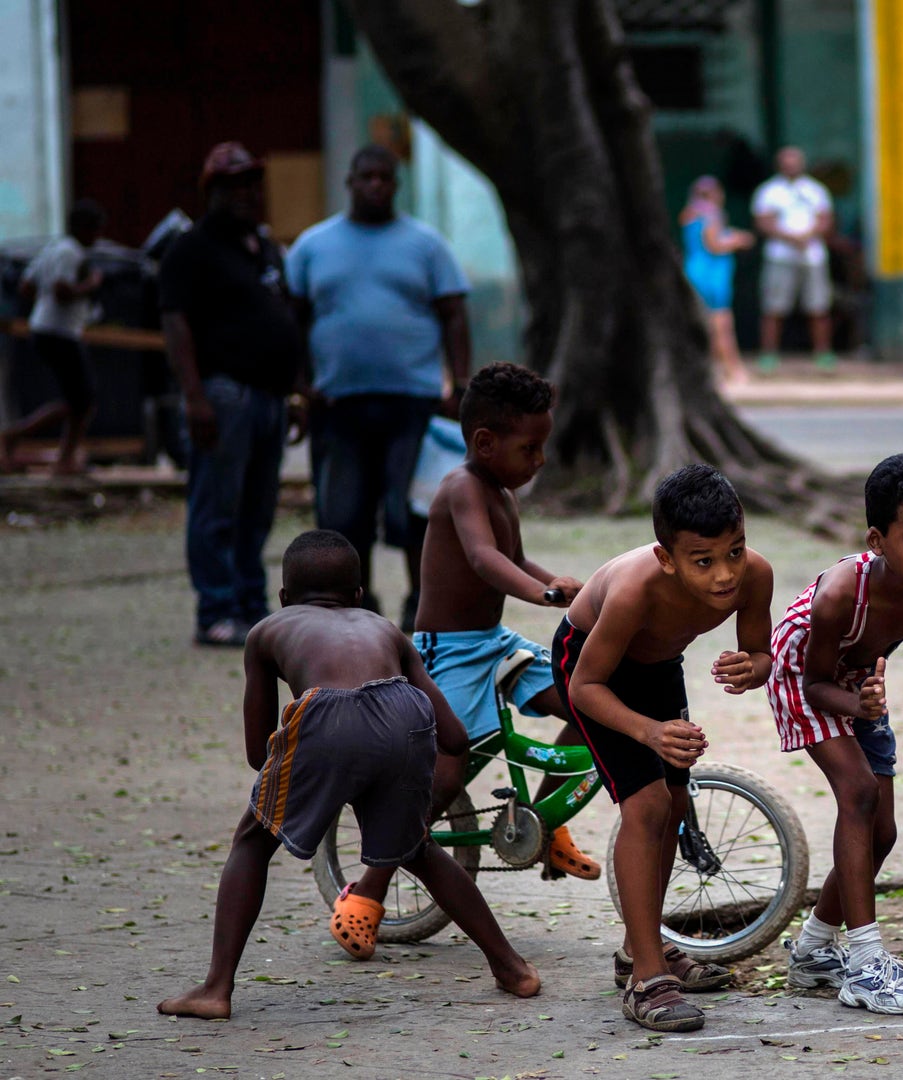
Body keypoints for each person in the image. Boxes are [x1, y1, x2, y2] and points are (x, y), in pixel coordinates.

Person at [156, 530, 540, 1020]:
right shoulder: (387, 630)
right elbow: (456, 737)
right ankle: (512, 968)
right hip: (405, 712)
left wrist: (326, 766)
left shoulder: (267, 631)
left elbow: (258, 753)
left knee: (251, 842)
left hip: (325, 718)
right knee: (416, 849)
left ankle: (215, 989)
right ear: (359, 594)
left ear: (284, 597)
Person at [337, 364, 592, 946]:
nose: (540, 460)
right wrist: (544, 596)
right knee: (445, 775)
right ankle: (368, 888)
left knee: (585, 699)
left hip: (492, 643)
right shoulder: (461, 488)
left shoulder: (502, 491)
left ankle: (545, 822)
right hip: (447, 653)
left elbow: (515, 559)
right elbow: (484, 559)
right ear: (484, 442)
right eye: (530, 448)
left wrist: (560, 585)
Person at [554, 464, 775, 1032]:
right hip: (593, 668)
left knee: (676, 804)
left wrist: (751, 668)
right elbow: (584, 687)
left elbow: (762, 654)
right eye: (704, 561)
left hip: (658, 667)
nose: (725, 574)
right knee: (648, 805)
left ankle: (640, 948)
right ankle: (647, 978)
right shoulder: (635, 591)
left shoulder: (755, 575)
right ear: (667, 558)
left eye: (734, 551)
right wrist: (648, 731)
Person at [771, 453, 903, 1015]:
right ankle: (866, 965)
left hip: (862, 681)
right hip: (805, 674)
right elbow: (816, 683)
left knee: (883, 833)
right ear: (877, 541)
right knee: (859, 792)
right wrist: (857, 704)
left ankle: (812, 951)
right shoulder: (840, 595)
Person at [288, 145, 473, 628]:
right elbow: (293, 319)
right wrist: (299, 385)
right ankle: (355, 605)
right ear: (349, 182)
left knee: (414, 510)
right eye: (366, 176)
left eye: (385, 177)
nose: (376, 185)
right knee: (343, 513)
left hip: (413, 403)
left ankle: (422, 604)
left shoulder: (426, 245)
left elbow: (454, 314)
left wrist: (459, 385)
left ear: (396, 184)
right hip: (337, 403)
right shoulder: (313, 245)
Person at [159, 142, 306, 647]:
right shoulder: (190, 249)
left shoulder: (263, 247)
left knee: (256, 511)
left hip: (269, 397)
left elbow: (284, 318)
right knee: (217, 507)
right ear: (212, 192)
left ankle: (249, 605)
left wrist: (295, 391)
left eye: (251, 184)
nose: (246, 194)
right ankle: (215, 611)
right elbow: (176, 326)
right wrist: (194, 397)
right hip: (224, 395)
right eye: (233, 185)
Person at [2, 200, 107, 474]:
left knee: (79, 401)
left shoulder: (53, 249)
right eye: (95, 230)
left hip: (45, 329)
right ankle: (40, 447)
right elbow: (62, 292)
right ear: (83, 228)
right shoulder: (71, 252)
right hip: (60, 333)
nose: (98, 237)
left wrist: (43, 305)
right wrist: (90, 284)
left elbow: (26, 286)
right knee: (83, 401)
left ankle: (62, 456)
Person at [752, 146, 836, 371]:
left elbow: (826, 220)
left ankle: (823, 355)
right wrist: (790, 237)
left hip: (813, 257)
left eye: (794, 162)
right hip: (779, 257)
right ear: (779, 165)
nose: (791, 166)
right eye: (786, 162)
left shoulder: (815, 190)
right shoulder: (769, 191)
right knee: (774, 308)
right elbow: (763, 221)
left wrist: (808, 235)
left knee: (818, 307)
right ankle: (769, 356)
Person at [680, 175, 756, 386]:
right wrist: (739, 241)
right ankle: (732, 369)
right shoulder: (712, 214)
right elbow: (714, 244)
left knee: (706, 323)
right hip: (711, 275)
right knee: (721, 325)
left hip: (695, 270)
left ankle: (713, 369)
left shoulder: (690, 213)